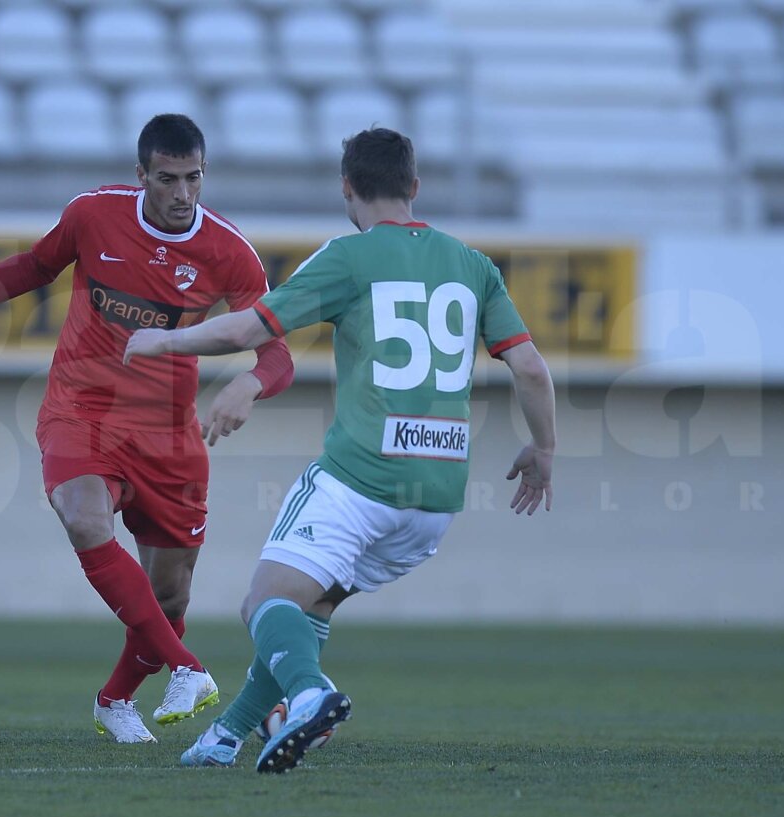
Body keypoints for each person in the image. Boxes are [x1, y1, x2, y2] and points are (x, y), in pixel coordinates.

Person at [124, 127, 555, 773]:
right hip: (435, 497)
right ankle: (226, 737)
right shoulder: (473, 266)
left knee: (263, 604)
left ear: (347, 188)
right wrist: (543, 449)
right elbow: (530, 370)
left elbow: (247, 327)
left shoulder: (350, 256)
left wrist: (160, 342)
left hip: (362, 477)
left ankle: (311, 695)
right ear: (414, 187)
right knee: (311, 608)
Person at [0, 114, 295, 744]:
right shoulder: (93, 215)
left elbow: (277, 352)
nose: (182, 193)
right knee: (83, 516)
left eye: (193, 177)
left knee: (171, 601)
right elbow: (31, 268)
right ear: (141, 177)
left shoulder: (230, 253)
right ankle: (189, 668)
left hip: (168, 435)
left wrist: (248, 383)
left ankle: (114, 699)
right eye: (167, 179)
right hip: (82, 409)